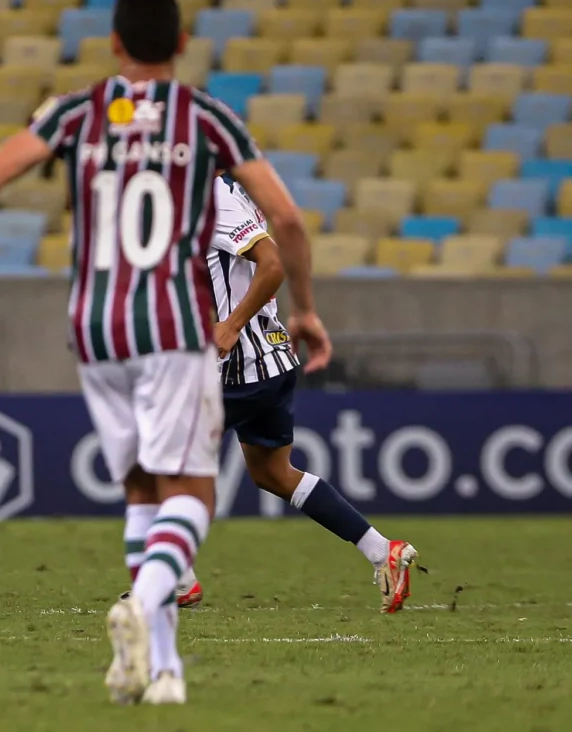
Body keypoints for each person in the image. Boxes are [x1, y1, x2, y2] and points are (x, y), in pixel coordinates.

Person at [0, 0, 329, 706]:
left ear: (114, 45)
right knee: (190, 492)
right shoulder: (208, 118)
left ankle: (163, 670)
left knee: (139, 489)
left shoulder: (77, 110)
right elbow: (285, 221)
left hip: (96, 328)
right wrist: (309, 310)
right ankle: (143, 605)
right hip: (175, 326)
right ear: (184, 44)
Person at [168, 175, 416, 614]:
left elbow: (273, 264)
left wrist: (229, 325)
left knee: (161, 458)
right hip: (269, 361)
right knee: (273, 474)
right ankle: (383, 551)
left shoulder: (214, 196)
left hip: (237, 365)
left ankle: (178, 578)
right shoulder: (213, 188)